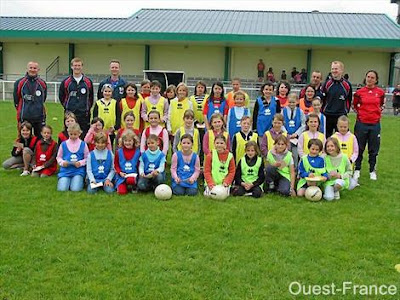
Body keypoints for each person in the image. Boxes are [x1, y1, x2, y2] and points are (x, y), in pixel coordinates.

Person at [353, 70, 385, 181]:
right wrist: (362, 114)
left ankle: (372, 170)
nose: (370, 79)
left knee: (373, 149)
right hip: (362, 123)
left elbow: (380, 105)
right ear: (365, 78)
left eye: (372, 77)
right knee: (359, 147)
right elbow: (355, 105)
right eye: (368, 77)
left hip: (375, 124)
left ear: (376, 80)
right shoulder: (359, 92)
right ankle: (357, 169)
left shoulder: (380, 92)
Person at [59, 57, 94, 137]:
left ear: (82, 67)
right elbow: (62, 97)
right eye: (75, 65)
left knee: (84, 134)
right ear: (71, 67)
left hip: (84, 114)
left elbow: (90, 97)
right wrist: (67, 107)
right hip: (70, 114)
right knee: (69, 134)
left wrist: (86, 108)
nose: (77, 67)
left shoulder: (87, 82)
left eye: (79, 65)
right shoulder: (66, 82)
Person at [13, 61, 47, 137]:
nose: (32, 70)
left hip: (39, 117)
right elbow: (16, 100)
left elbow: (43, 99)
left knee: (40, 139)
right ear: (27, 69)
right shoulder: (19, 83)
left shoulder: (42, 83)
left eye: (35, 68)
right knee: (23, 139)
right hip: (25, 117)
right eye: (30, 68)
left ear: (38, 70)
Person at [321, 61, 352, 136]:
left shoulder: (347, 85)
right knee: (327, 139)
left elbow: (349, 99)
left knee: (342, 138)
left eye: (336, 69)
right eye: (332, 69)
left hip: (341, 115)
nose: (334, 71)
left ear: (341, 70)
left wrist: (345, 111)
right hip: (328, 115)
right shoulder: (327, 84)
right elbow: (323, 99)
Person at [56, 123, 89, 192]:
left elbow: (87, 158)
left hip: (78, 171)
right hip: (66, 170)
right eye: (71, 134)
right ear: (68, 133)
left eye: (75, 134)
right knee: (62, 189)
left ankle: (79, 181)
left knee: (75, 189)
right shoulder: (63, 144)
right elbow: (58, 157)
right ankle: (66, 180)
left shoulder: (83, 144)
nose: (73, 136)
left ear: (79, 133)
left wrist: (80, 163)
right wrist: (62, 163)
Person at [282, 93, 306, 168]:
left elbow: (303, 124)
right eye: (290, 102)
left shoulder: (300, 111)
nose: (291, 104)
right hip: (286, 137)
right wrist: (286, 133)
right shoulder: (283, 111)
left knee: (295, 155)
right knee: (286, 155)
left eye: (293, 102)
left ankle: (295, 171)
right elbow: (281, 123)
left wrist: (296, 133)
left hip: (296, 139)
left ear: (297, 102)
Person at [114, 129, 141, 195]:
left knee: (131, 180)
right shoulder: (118, 152)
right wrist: (119, 172)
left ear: (134, 141)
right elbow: (116, 164)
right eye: (125, 141)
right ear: (122, 141)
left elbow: (139, 165)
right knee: (121, 192)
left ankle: (133, 186)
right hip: (122, 175)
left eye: (130, 141)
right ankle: (123, 185)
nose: (127, 143)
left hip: (133, 175)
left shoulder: (138, 152)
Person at [190, 81, 208, 161]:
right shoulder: (191, 98)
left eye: (202, 87)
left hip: (205, 124)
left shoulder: (207, 98)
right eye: (198, 87)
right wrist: (194, 121)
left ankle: (202, 159)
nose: (200, 89)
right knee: (196, 141)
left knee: (204, 141)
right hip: (194, 124)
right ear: (196, 88)